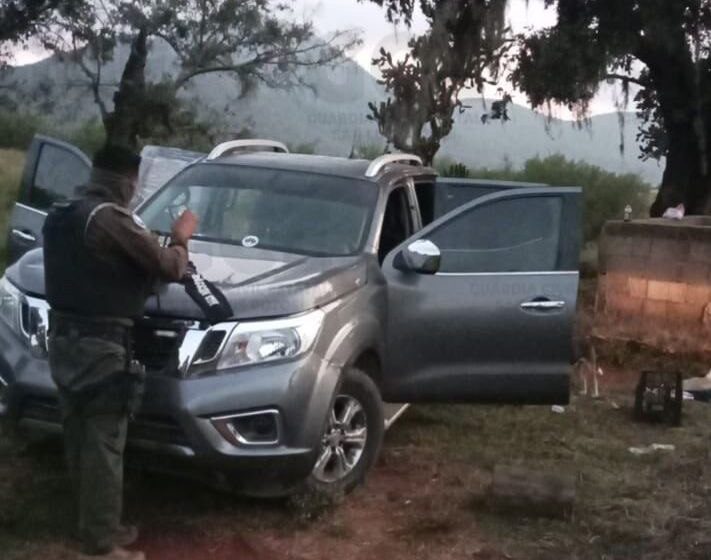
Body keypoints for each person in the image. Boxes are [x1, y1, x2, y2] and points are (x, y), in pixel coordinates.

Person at [42, 144, 198, 560]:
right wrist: (182, 238)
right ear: (128, 180)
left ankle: (96, 526)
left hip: (62, 340)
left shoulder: (63, 213)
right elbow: (167, 266)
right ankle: (101, 547)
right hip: (102, 345)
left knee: (79, 438)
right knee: (104, 445)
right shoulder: (109, 219)